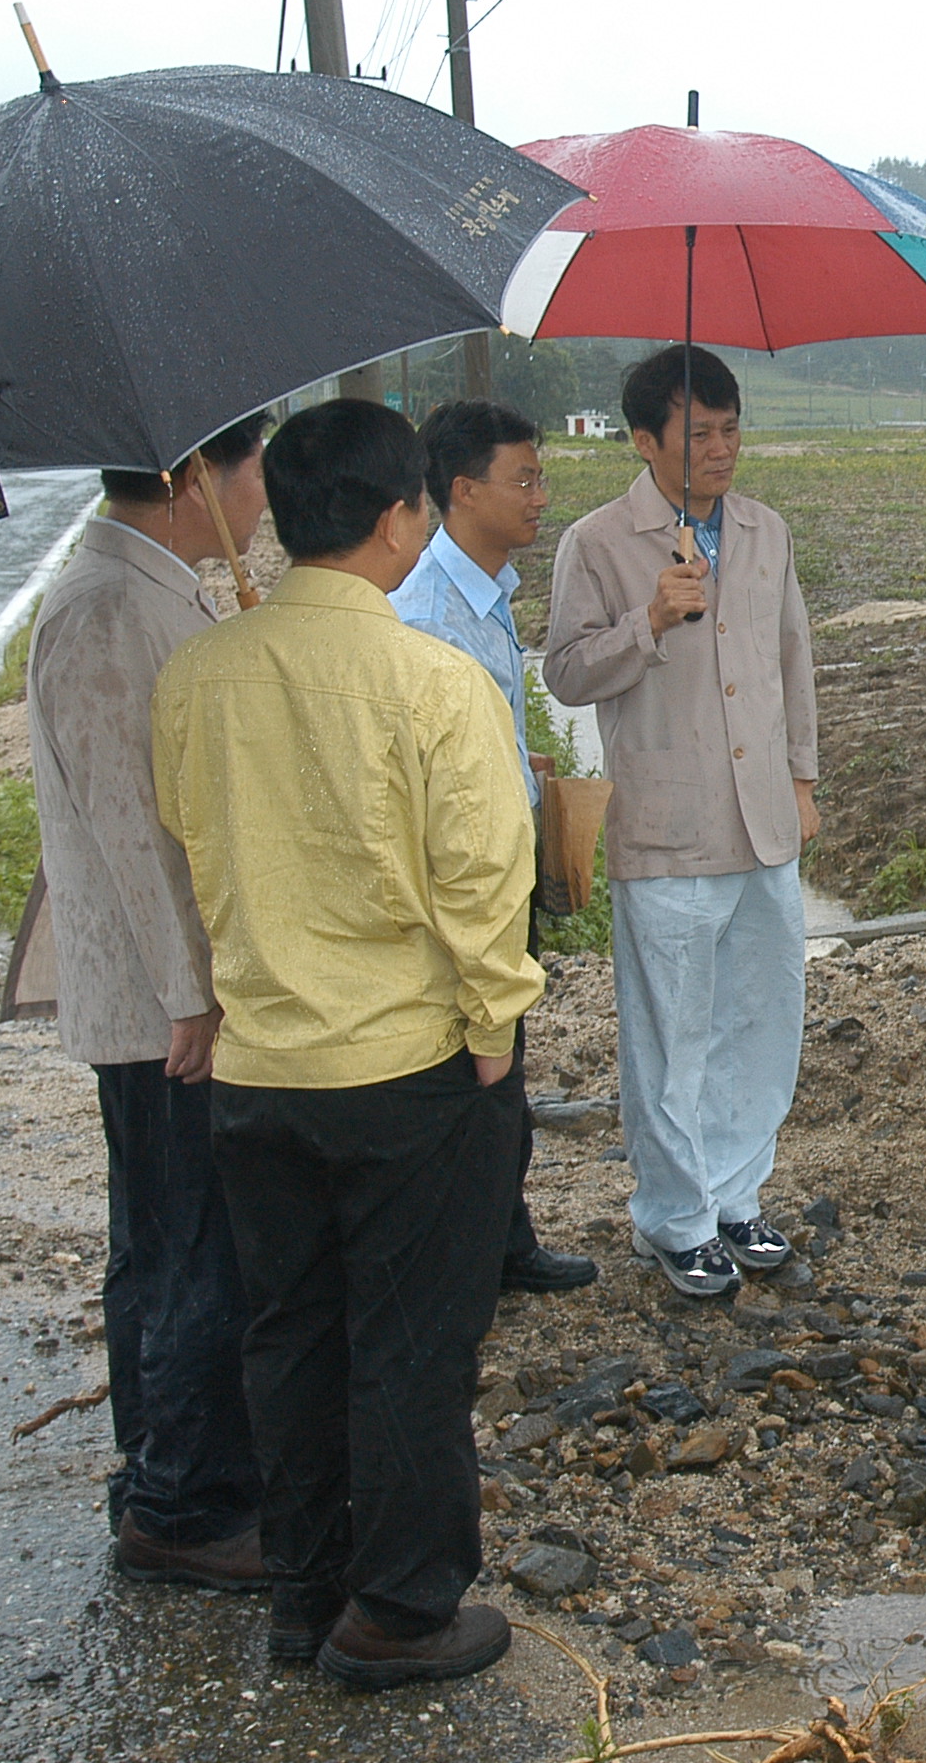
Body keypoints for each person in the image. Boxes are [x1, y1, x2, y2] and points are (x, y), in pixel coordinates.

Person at [151, 399, 541, 1688]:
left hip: (260, 1069)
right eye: (420, 504)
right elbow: (485, 871)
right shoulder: (430, 678)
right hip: (400, 1068)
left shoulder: (199, 673)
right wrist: (493, 1024)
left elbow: (191, 839)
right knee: (412, 1341)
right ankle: (399, 1607)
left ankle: (302, 1589)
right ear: (394, 520)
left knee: (294, 1332)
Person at [27, 413, 270, 1595]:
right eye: (253, 464)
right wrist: (192, 996)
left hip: (170, 997)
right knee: (186, 1248)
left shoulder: (152, 588)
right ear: (196, 476)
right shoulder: (106, 607)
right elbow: (133, 827)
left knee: (164, 1240)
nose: (264, 489)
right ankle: (182, 1502)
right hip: (161, 1007)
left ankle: (164, 1464)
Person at [544, 347, 816, 1300]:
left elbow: (792, 659)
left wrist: (803, 777)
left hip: (761, 822)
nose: (721, 449)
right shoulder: (600, 543)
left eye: (732, 428)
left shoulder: (763, 531)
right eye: (699, 433)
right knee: (670, 1036)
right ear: (644, 440)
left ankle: (738, 1193)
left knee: (762, 1016)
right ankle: (675, 1216)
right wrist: (648, 621)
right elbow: (567, 672)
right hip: (667, 824)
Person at [393, 399, 598, 1295]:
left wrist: (521, 759)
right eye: (525, 478)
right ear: (464, 490)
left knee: (504, 1060)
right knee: (476, 1064)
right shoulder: (429, 612)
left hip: (505, 860)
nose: (540, 496)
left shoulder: (487, 593)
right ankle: (473, 1254)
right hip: (467, 881)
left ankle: (501, 1240)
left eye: (541, 475)